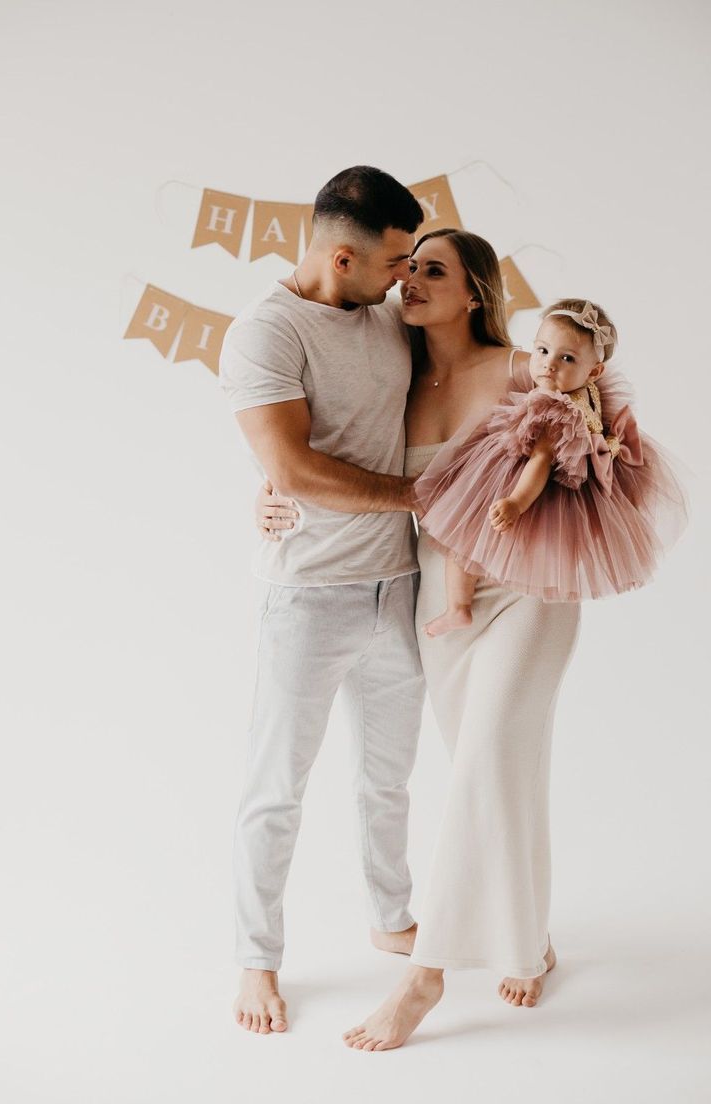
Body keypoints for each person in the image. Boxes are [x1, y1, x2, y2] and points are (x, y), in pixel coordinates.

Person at [259, 229, 599, 1049]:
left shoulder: (526, 367)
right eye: (407, 267)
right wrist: (269, 492)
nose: (409, 280)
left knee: (485, 757)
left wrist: (551, 493)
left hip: (527, 593)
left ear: (474, 292)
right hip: (440, 606)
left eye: (431, 270)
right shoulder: (394, 370)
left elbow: (597, 426)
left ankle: (426, 978)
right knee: (500, 769)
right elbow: (320, 444)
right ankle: (526, 936)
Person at [220, 166, 428, 1036]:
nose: (406, 277)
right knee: (277, 790)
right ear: (342, 258)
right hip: (309, 597)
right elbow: (296, 466)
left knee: (389, 781)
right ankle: (256, 962)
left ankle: (390, 916)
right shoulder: (263, 334)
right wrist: (412, 497)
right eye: (395, 261)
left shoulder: (389, 315)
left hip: (401, 591)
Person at [417, 299, 687, 636]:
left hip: (516, 481)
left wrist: (516, 502)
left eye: (567, 358)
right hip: (559, 481)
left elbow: (541, 460)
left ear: (593, 371)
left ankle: (458, 608)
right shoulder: (590, 394)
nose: (548, 366)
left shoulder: (552, 407)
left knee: (462, 540)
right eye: (542, 351)